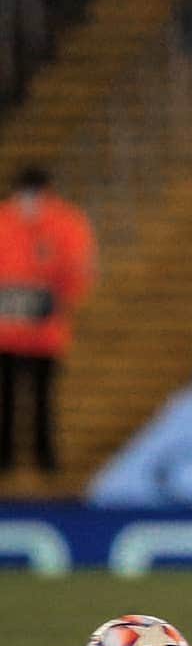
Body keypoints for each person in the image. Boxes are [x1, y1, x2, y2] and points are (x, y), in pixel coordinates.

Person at [0, 165, 96, 477]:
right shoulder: (6, 219)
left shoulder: (64, 222)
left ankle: (44, 454)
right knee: (7, 394)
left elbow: (77, 268)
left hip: (44, 328)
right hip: (7, 328)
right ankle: (8, 454)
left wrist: (62, 298)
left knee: (42, 396)